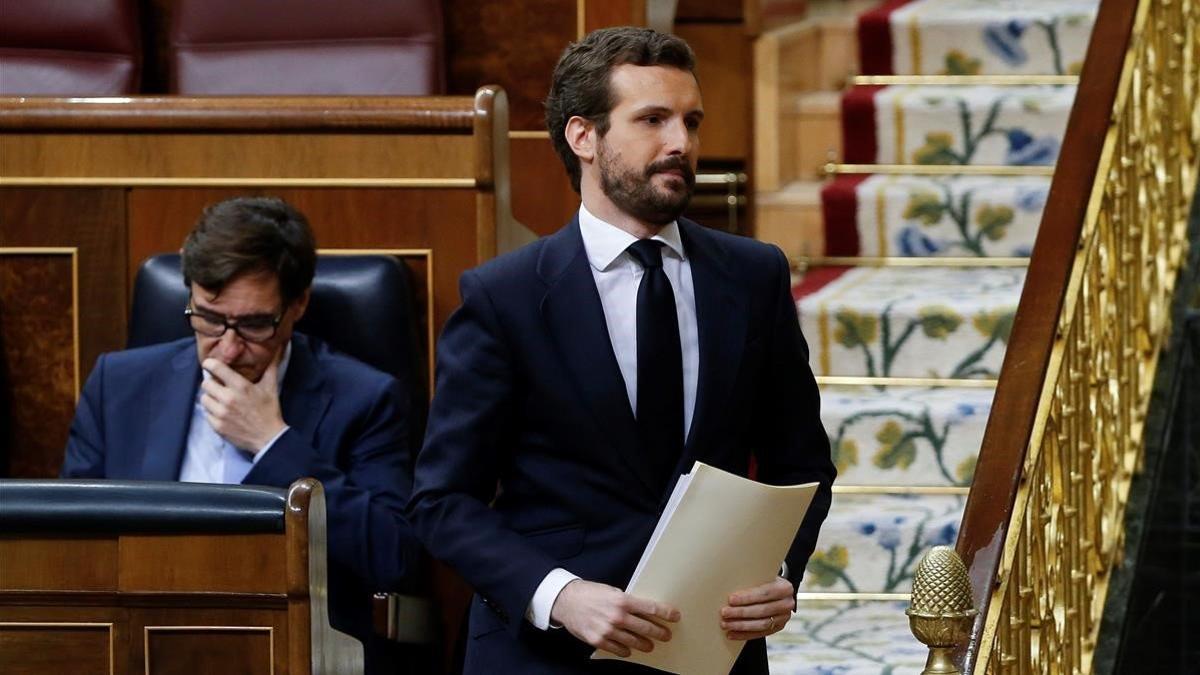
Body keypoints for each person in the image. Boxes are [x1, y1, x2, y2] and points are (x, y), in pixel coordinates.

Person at [408, 26, 836, 674]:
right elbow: (442, 501)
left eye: (691, 121)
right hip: (548, 655)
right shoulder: (506, 298)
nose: (682, 143)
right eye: (653, 120)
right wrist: (559, 594)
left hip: (710, 653)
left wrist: (775, 569)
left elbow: (800, 462)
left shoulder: (754, 276)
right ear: (584, 136)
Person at [61, 196, 424, 674]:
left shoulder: (365, 399)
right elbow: (69, 540)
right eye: (210, 318)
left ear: (298, 305)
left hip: (294, 652)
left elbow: (395, 557)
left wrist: (274, 443)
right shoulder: (120, 385)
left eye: (254, 324)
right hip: (143, 646)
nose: (228, 349)